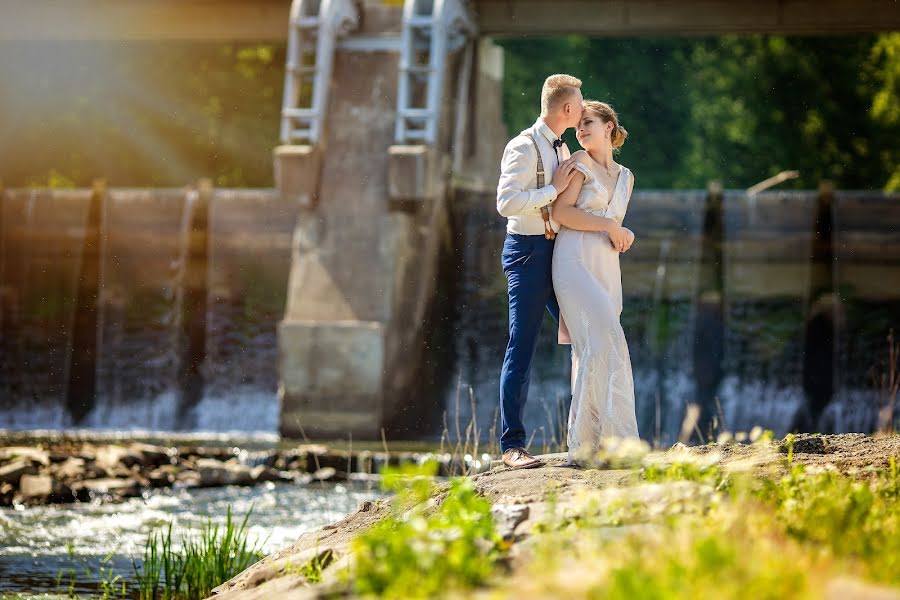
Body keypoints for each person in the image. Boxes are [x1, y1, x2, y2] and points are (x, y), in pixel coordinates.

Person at [496, 74, 590, 469]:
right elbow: (506, 203)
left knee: (586, 333)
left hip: (558, 250)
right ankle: (512, 446)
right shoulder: (522, 146)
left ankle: (590, 434)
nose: (584, 109)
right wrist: (551, 190)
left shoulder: (562, 145)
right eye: (580, 104)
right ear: (566, 109)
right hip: (528, 253)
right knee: (523, 344)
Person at [551, 100, 639, 466]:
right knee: (604, 339)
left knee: (599, 348)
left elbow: (615, 223)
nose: (581, 129)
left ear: (609, 126)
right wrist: (608, 226)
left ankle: (608, 444)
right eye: (577, 125)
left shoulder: (627, 176)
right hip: (573, 262)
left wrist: (624, 234)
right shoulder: (578, 164)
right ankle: (583, 445)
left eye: (588, 122)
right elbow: (561, 213)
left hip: (606, 267)